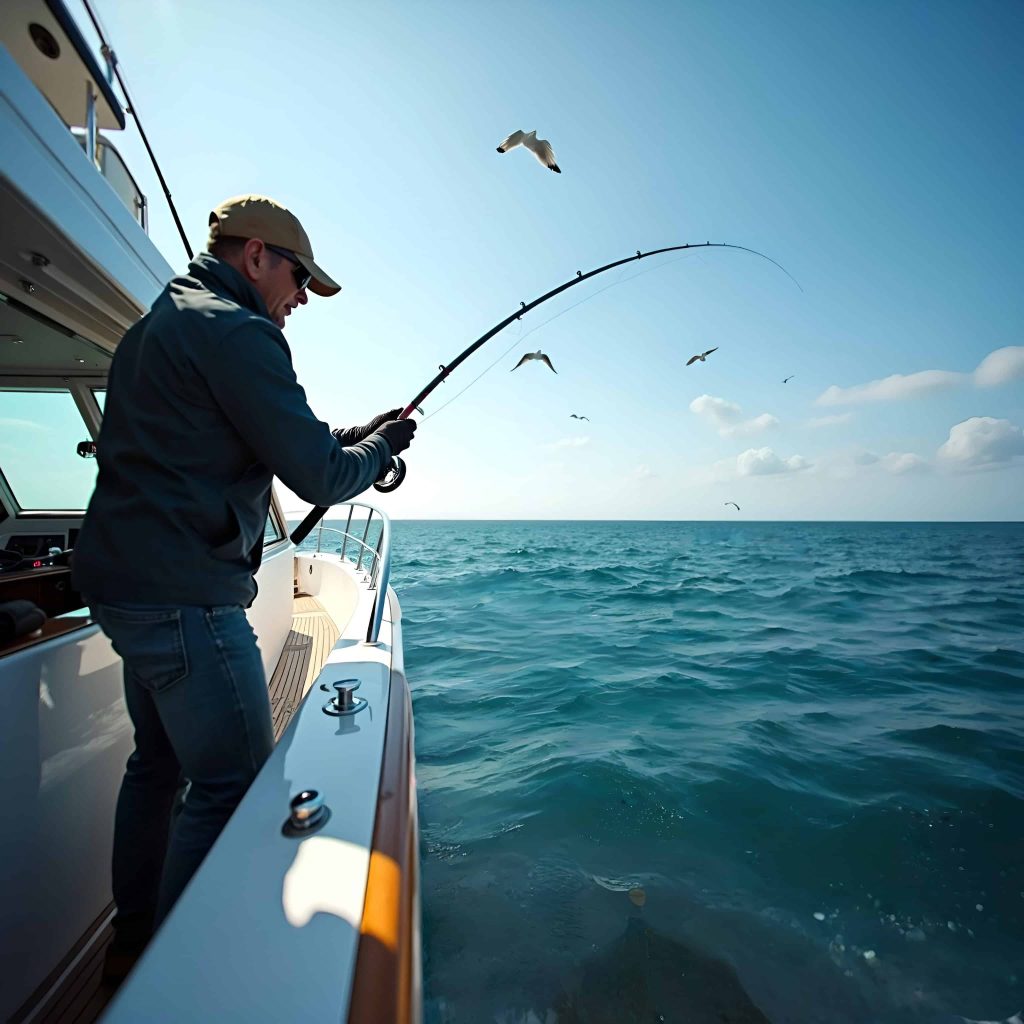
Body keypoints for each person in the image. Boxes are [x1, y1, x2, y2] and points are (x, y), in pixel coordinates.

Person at [71, 194, 416, 981]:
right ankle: (177, 973)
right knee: (230, 787)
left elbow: (266, 429)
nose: (300, 299)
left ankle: (132, 941)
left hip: (128, 587)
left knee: (154, 769)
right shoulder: (240, 333)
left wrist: (357, 432)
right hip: (186, 596)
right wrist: (380, 451)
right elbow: (320, 474)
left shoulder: (164, 323)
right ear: (255, 255)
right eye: (299, 279)